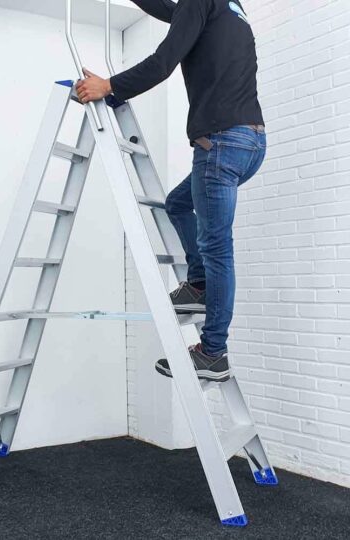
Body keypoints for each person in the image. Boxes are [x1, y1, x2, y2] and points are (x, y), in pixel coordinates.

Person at [76, 0, 266, 382]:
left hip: (219, 142)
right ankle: (199, 285)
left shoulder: (199, 3)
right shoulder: (229, 6)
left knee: (217, 249)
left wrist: (109, 86)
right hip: (250, 143)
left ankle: (213, 353)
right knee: (177, 204)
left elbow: (163, 62)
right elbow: (173, 11)